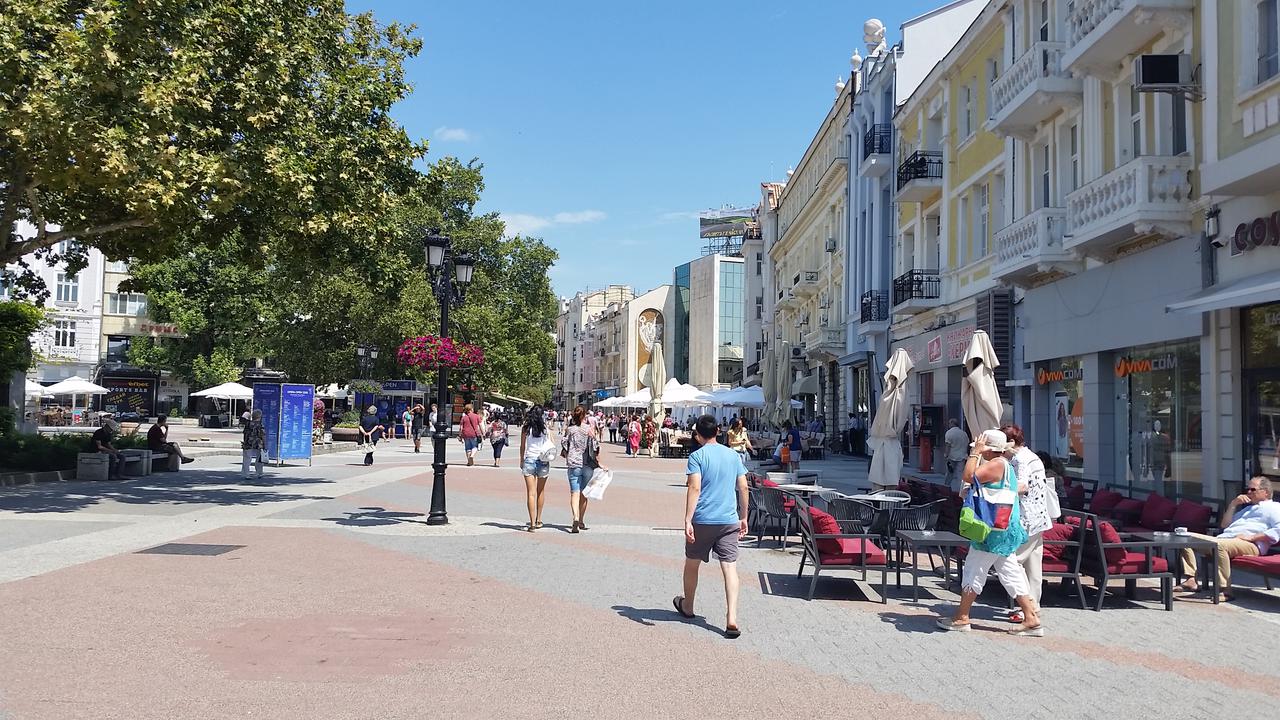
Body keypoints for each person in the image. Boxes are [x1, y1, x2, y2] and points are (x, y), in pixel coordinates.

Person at [937, 429, 1044, 637]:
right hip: (1002, 528)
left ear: (989, 449)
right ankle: (1031, 617)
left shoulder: (997, 464)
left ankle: (962, 617)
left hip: (991, 531)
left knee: (974, 569)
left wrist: (974, 453)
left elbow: (968, 476)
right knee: (1010, 572)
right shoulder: (1004, 465)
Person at [674, 415, 749, 639]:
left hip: (703, 519)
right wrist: (743, 516)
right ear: (718, 431)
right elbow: (743, 487)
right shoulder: (733, 455)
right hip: (728, 519)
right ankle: (732, 619)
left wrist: (687, 519)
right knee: (730, 568)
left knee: (692, 564)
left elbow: (694, 488)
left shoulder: (697, 456)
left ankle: (688, 606)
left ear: (697, 435)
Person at [1175, 476, 1280, 602]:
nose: (1248, 492)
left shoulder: (1274, 508)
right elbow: (1225, 525)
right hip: (1226, 539)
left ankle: (1226, 590)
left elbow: (1277, 529)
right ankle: (1191, 579)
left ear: (1266, 492)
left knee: (1219, 546)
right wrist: (1233, 504)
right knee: (1184, 537)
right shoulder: (1247, 509)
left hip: (1250, 544)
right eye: (1248, 489)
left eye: (1253, 489)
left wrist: (1251, 537)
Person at [1001, 423, 1052, 624]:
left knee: (1013, 561)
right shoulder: (1032, 456)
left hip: (1026, 518)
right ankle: (1034, 606)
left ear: (1012, 443)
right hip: (1039, 517)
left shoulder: (1020, 459)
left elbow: (1021, 486)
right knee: (1033, 565)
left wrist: (999, 490)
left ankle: (1027, 608)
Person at [561, 405, 608, 532]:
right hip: (587, 464)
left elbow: (564, 444)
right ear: (584, 416)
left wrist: (566, 454)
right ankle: (581, 520)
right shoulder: (589, 429)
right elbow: (595, 446)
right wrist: (599, 463)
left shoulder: (570, 430)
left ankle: (575, 517)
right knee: (584, 493)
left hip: (573, 463)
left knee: (574, 493)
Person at [520, 406, 555, 531]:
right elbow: (551, 444)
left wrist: (521, 460)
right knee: (541, 491)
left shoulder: (526, 428)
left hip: (529, 460)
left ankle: (532, 523)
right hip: (543, 461)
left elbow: (522, 446)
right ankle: (539, 519)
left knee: (531, 493)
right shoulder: (545, 428)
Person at [943, 419, 970, 489]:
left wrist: (946, 454)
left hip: (952, 456)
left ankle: (946, 487)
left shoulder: (949, 433)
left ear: (952, 424)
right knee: (960, 474)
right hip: (962, 456)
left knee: (949, 473)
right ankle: (960, 489)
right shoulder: (964, 433)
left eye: (949, 423)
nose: (948, 425)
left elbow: (948, 445)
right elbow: (967, 444)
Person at [242, 409, 266, 478]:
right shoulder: (260, 425)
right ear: (260, 417)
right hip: (258, 443)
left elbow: (245, 433)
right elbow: (263, 435)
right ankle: (259, 473)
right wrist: (264, 444)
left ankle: (246, 473)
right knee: (259, 458)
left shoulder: (248, 424)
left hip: (248, 442)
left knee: (247, 458)